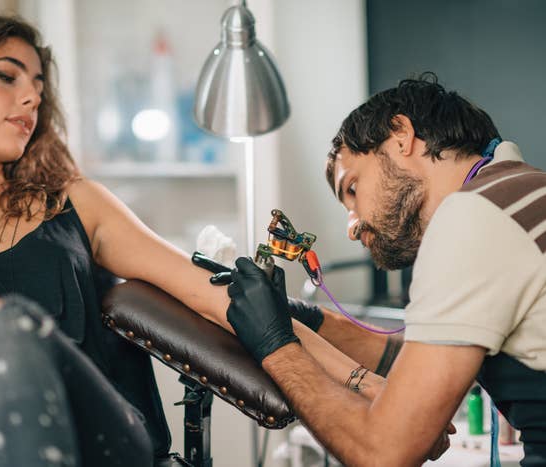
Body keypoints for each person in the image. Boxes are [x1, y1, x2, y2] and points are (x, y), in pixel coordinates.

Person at [0, 14, 412, 467]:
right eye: (7, 75)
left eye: (39, 86)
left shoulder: (72, 201)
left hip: (88, 428)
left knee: (3, 325)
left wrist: (365, 385)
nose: (31, 98)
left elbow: (215, 296)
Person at [223, 73, 546, 466]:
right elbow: (419, 362)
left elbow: (383, 453)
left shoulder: (473, 216)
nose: (352, 226)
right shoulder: (517, 193)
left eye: (353, 189)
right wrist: (304, 318)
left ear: (400, 135)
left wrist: (275, 346)